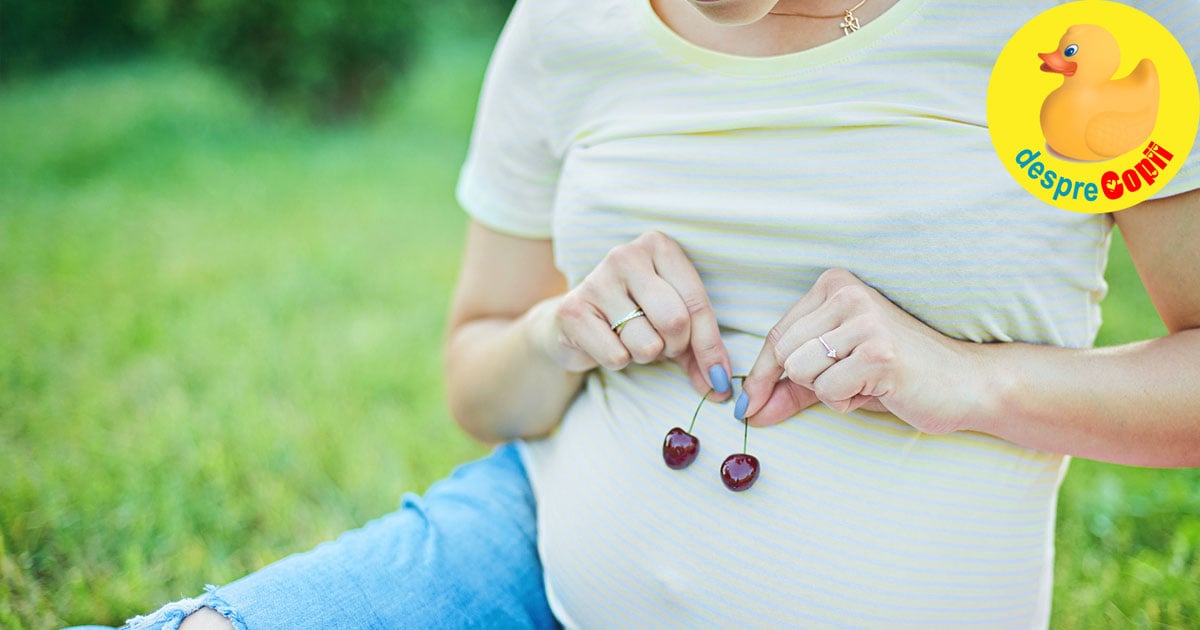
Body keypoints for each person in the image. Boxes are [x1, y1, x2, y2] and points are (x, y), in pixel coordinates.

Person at [104, 0, 1200, 627]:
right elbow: (477, 377)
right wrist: (559, 330)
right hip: (528, 568)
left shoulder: (1086, 31)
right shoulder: (564, 27)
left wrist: (971, 382)